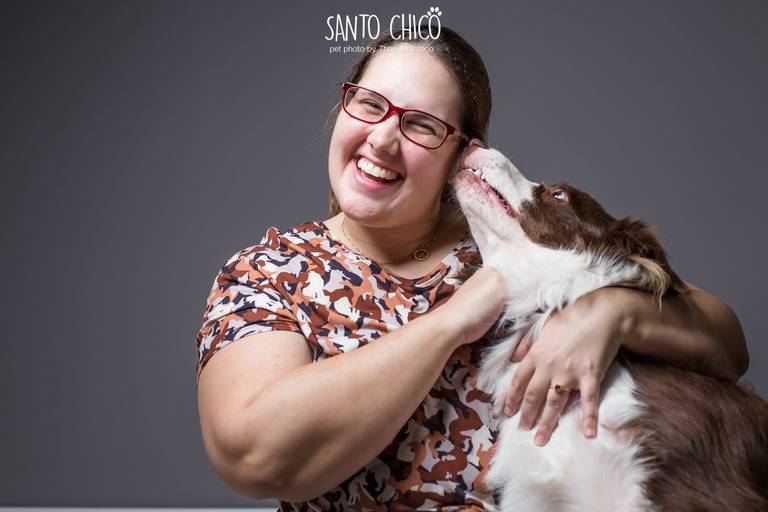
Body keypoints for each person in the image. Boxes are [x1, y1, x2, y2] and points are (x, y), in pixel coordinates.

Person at [195, 25, 749, 511]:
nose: (384, 139)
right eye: (369, 103)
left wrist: (611, 313)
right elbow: (253, 455)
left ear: (461, 152)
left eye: (422, 126)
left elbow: (727, 343)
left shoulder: (509, 238)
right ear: (343, 108)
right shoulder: (271, 272)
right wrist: (456, 317)